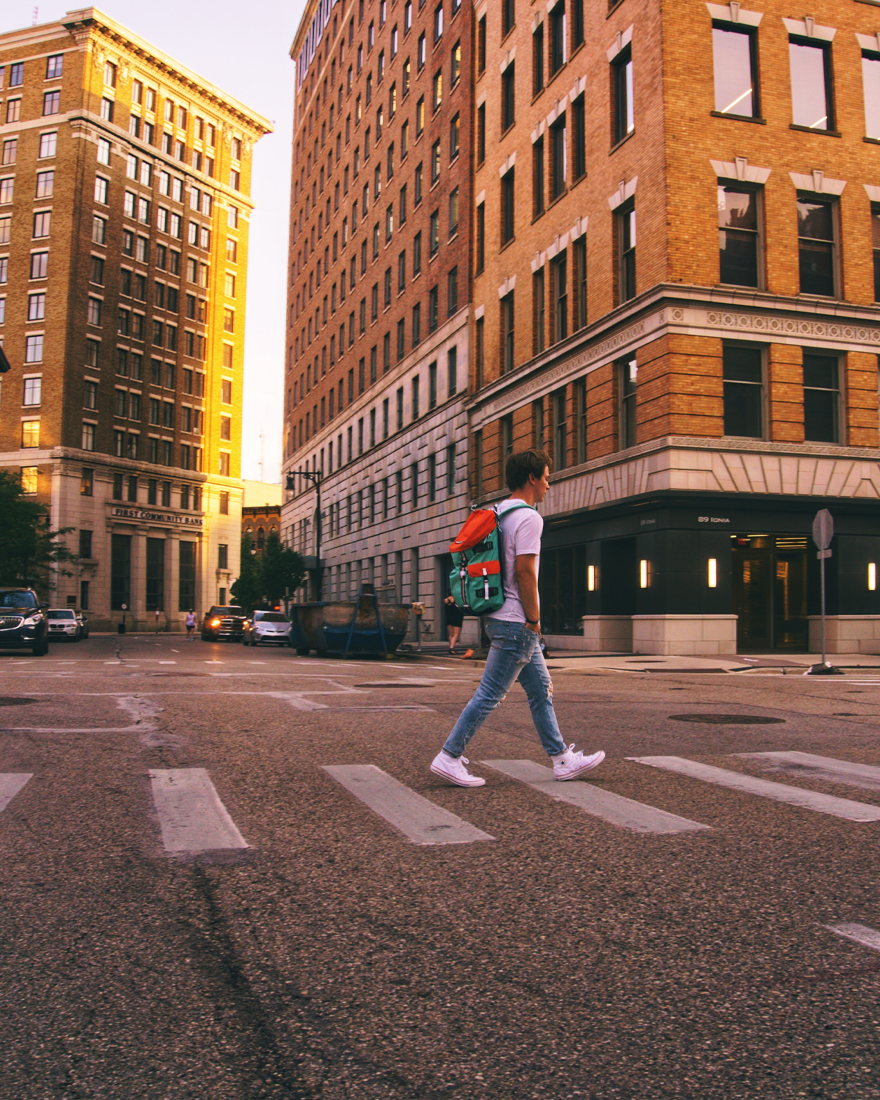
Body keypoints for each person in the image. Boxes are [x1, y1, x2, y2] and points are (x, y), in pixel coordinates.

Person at [431, 448, 605, 787]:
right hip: (517, 621)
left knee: (540, 691)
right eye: (546, 477)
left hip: (497, 614)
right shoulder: (529, 517)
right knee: (490, 694)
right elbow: (525, 571)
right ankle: (449, 756)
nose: (548, 486)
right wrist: (535, 620)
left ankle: (561, 759)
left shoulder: (497, 512)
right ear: (532, 478)